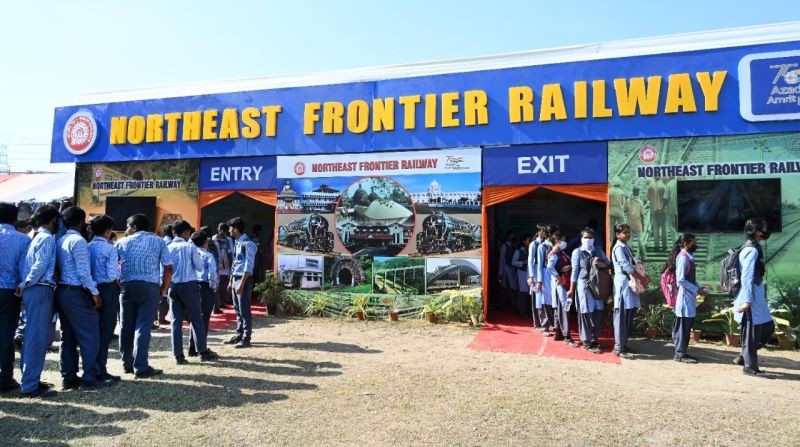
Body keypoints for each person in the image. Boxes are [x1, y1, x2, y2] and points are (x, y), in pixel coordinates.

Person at [55, 207, 113, 390]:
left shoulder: (60, 240)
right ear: (81, 221)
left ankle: (69, 377)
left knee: (68, 337)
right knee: (90, 335)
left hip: (63, 291)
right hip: (76, 292)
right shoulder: (78, 241)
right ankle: (90, 376)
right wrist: (95, 293)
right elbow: (83, 272)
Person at [116, 214, 172, 378]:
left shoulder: (121, 242)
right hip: (150, 287)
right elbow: (168, 267)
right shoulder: (158, 241)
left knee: (126, 326)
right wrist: (163, 289)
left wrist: (121, 284)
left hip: (127, 286)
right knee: (143, 327)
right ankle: (140, 366)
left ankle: (127, 364)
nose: (126, 229)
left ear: (133, 227)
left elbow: (112, 268)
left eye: (127, 226)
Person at [18, 205, 60, 397]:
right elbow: (40, 265)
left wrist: (24, 284)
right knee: (37, 338)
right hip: (40, 288)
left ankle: (29, 381)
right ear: (53, 220)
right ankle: (30, 385)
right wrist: (26, 283)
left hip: (34, 289)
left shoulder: (35, 237)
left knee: (31, 336)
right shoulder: (47, 238)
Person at [167, 221, 218, 364]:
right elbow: (200, 267)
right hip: (189, 285)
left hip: (173, 286)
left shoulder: (168, 247)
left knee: (176, 322)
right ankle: (202, 351)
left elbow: (164, 269)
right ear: (185, 232)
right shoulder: (190, 247)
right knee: (197, 319)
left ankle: (178, 355)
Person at [733, 218, 775, 377]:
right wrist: (747, 300)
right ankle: (750, 367)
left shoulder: (753, 248)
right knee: (752, 333)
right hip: (751, 299)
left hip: (755, 296)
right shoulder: (751, 250)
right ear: (757, 231)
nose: (766, 230)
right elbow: (747, 276)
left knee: (766, 327)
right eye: (764, 228)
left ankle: (744, 357)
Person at [0, 203, 31, 393]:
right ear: (15, 218)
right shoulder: (22, 239)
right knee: (6, 334)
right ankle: (5, 378)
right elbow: (24, 269)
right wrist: (22, 289)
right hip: (9, 291)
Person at [88, 215, 122, 382]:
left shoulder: (87, 247)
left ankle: (92, 368)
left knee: (92, 331)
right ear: (108, 231)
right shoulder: (110, 249)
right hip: (107, 289)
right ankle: (101, 369)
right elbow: (112, 274)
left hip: (90, 289)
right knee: (106, 331)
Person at [568, 228, 611, 353]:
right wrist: (572, 289)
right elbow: (575, 271)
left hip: (597, 286)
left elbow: (608, 264)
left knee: (598, 312)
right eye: (585, 238)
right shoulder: (577, 252)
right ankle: (586, 341)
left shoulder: (598, 250)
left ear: (594, 239)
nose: (588, 240)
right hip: (584, 285)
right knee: (586, 312)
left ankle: (594, 339)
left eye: (590, 238)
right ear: (581, 239)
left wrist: (602, 263)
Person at [667, 233, 707, 364]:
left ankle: (682, 352)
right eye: (693, 242)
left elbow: (689, 279)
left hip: (689, 297)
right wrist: (697, 289)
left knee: (686, 326)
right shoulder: (683, 258)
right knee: (683, 327)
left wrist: (699, 288)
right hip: (684, 298)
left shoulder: (689, 257)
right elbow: (681, 280)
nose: (695, 244)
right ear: (686, 244)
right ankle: (679, 354)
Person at [611, 223, 644, 359]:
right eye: (625, 232)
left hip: (630, 284)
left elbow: (632, 264)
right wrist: (641, 277)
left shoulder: (626, 247)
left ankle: (623, 344)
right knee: (622, 317)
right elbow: (626, 266)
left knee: (628, 315)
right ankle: (619, 348)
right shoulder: (619, 248)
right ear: (618, 235)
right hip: (624, 285)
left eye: (628, 232)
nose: (628, 234)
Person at [226, 217, 257, 348]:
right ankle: (239, 335)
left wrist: (241, 283)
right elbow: (235, 264)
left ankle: (246, 338)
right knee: (237, 310)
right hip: (236, 279)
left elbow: (248, 266)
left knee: (244, 310)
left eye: (230, 228)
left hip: (243, 279)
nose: (229, 230)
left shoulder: (247, 244)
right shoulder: (237, 242)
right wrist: (231, 280)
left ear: (236, 229)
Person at [188, 231, 218, 357]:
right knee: (204, 319)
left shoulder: (190, 253)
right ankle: (202, 348)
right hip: (205, 287)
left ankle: (192, 348)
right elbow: (212, 274)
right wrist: (213, 287)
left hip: (192, 285)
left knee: (194, 317)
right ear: (205, 242)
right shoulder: (208, 255)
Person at [547, 229, 577, 347]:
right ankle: (567, 336)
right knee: (565, 308)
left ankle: (559, 332)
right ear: (557, 241)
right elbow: (550, 267)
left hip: (565, 282)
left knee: (560, 308)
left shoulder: (562, 253)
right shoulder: (554, 254)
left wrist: (566, 267)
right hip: (561, 284)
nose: (565, 242)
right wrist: (558, 275)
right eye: (563, 240)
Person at [534, 225, 556, 334]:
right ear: (550, 234)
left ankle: (554, 323)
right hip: (545, 274)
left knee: (553, 299)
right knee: (544, 300)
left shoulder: (557, 246)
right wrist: (539, 281)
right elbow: (539, 265)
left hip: (554, 274)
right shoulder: (542, 247)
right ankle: (545, 325)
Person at [527, 224, 546, 328]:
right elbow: (530, 261)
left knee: (544, 298)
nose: (545, 233)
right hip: (535, 271)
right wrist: (531, 276)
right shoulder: (534, 244)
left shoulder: (546, 243)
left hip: (544, 272)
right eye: (543, 231)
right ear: (539, 232)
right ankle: (537, 322)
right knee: (536, 297)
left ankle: (544, 321)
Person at [213, 223, 235, 311]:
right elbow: (232, 251)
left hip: (217, 263)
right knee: (224, 285)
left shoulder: (213, 237)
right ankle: (223, 302)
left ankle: (216, 304)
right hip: (226, 264)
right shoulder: (228, 239)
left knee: (217, 285)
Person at [511, 234, 532, 317]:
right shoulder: (518, 251)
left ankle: (527, 311)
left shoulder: (529, 250)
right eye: (528, 240)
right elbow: (513, 262)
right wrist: (523, 262)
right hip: (521, 274)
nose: (530, 242)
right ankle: (522, 312)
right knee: (522, 294)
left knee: (528, 294)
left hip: (528, 274)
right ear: (523, 241)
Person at [624, 187, 646, 261]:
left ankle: (629, 256)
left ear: (632, 192)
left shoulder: (628, 200)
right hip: (638, 224)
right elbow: (642, 215)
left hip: (629, 224)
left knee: (630, 241)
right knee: (640, 240)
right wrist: (643, 225)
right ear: (638, 192)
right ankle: (644, 257)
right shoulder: (641, 202)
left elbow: (624, 210)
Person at [496, 231, 516, 310]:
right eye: (511, 236)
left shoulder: (513, 246)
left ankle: (501, 303)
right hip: (506, 270)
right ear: (508, 237)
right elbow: (502, 259)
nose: (513, 238)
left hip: (512, 269)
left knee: (508, 288)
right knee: (507, 287)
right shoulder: (504, 246)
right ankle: (501, 303)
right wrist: (500, 272)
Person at [647, 177, 668, 251]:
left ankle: (656, 246)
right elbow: (666, 198)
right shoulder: (663, 186)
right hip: (662, 210)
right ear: (660, 178)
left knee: (655, 229)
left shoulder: (650, 186)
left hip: (653, 210)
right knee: (664, 229)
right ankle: (664, 246)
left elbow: (648, 197)